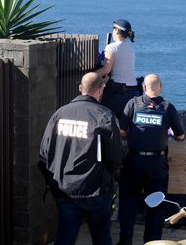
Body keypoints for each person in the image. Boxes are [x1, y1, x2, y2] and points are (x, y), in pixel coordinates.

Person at [38, 72, 124, 245]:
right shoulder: (104, 116)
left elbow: (44, 155)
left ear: (80, 88)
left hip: (66, 189)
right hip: (96, 190)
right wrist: (112, 179)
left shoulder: (60, 114)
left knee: (65, 237)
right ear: (101, 90)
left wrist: (55, 183)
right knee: (101, 238)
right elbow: (116, 156)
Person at [117, 74, 186, 245]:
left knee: (127, 201)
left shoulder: (133, 103)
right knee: (156, 202)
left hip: (133, 161)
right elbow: (180, 136)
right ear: (160, 88)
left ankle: (125, 240)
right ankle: (153, 241)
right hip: (157, 163)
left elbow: (122, 131)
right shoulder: (167, 107)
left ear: (144, 87)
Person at [96, 19, 139, 118]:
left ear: (117, 30)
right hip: (133, 92)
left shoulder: (112, 47)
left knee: (108, 122)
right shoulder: (131, 48)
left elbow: (106, 70)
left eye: (113, 28)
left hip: (116, 93)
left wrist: (90, 75)